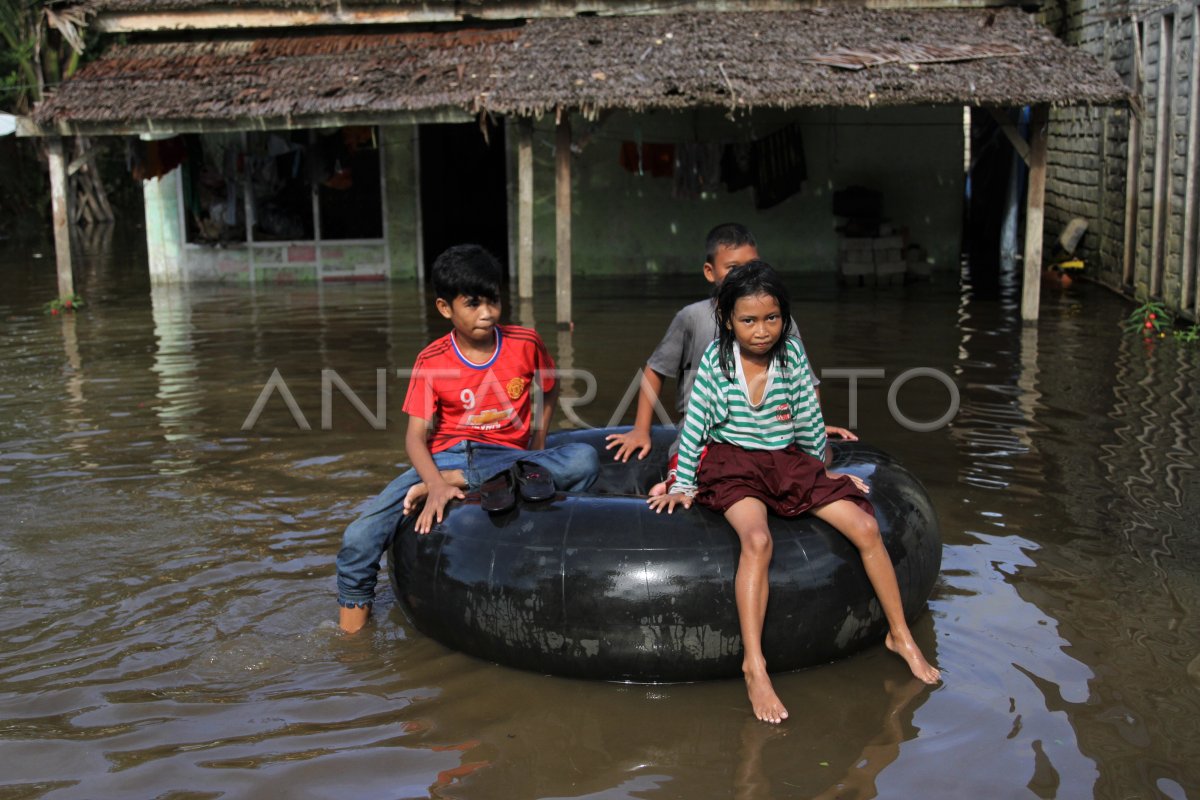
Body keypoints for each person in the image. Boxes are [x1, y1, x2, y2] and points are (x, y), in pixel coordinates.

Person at [647, 261, 940, 724]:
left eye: (771, 319)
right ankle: (754, 666)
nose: (761, 331)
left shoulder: (792, 357)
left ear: (784, 317)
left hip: (784, 462)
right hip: (732, 464)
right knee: (757, 540)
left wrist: (828, 475)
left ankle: (900, 635)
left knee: (864, 525)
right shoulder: (716, 361)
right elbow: (696, 425)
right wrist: (682, 482)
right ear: (727, 320)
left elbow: (806, 423)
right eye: (748, 320)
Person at [336, 244, 599, 633]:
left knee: (584, 459)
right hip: (446, 458)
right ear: (445, 309)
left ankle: (469, 480)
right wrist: (436, 483)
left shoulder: (525, 343)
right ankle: (352, 648)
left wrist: (539, 441)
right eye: (473, 303)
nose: (488, 313)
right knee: (358, 538)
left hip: (505, 458)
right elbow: (414, 439)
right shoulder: (431, 360)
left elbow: (550, 388)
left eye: (493, 300)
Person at [604, 223, 854, 492]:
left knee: (820, 458)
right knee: (686, 473)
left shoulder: (780, 322)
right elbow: (655, 370)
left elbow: (805, 382)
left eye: (753, 265)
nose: (745, 274)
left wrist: (810, 422)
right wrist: (642, 429)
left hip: (769, 429)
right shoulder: (693, 318)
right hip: (706, 429)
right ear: (710, 272)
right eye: (733, 268)